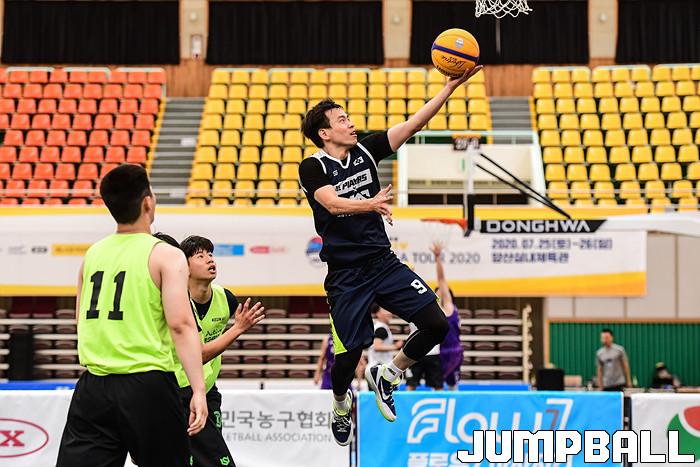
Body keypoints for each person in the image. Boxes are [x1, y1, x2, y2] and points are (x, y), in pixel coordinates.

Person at [298, 65, 483, 446]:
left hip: (383, 263)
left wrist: (450, 87)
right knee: (347, 357)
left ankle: (389, 375)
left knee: (436, 324)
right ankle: (340, 402)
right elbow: (331, 204)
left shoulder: (366, 149)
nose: (350, 124)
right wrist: (370, 203)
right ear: (324, 133)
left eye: (349, 118)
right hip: (346, 275)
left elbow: (414, 124)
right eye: (342, 120)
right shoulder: (313, 166)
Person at [57, 164, 207, 467]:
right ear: (147, 202)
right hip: (147, 384)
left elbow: (80, 319)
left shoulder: (93, 253)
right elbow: (180, 325)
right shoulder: (166, 254)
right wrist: (198, 389)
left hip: (94, 385)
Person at [176, 235, 265, 467]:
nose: (209, 259)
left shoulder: (226, 299)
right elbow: (196, 355)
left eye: (211, 254)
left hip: (207, 391)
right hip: (177, 392)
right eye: (200, 256)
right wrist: (238, 328)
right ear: (185, 267)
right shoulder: (176, 303)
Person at [431, 242, 463, 391]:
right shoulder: (432, 312)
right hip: (438, 352)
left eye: (442, 291)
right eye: (437, 291)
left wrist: (438, 258)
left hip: (453, 351)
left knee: (453, 387)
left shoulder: (450, 307)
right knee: (436, 385)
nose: (441, 292)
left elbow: (441, 280)